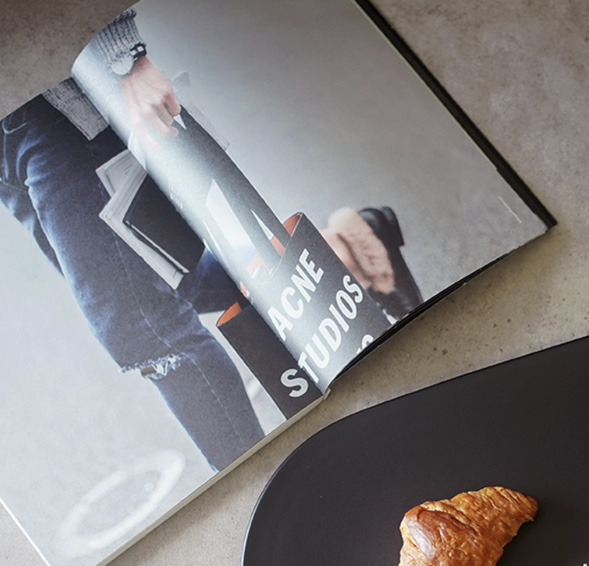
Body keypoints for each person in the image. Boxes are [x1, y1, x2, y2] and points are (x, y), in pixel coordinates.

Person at [1, 10, 421, 471]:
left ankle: (262, 483)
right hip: (7, 157)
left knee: (145, 329)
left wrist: (126, 59)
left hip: (55, 117)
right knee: (179, 282)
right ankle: (347, 249)